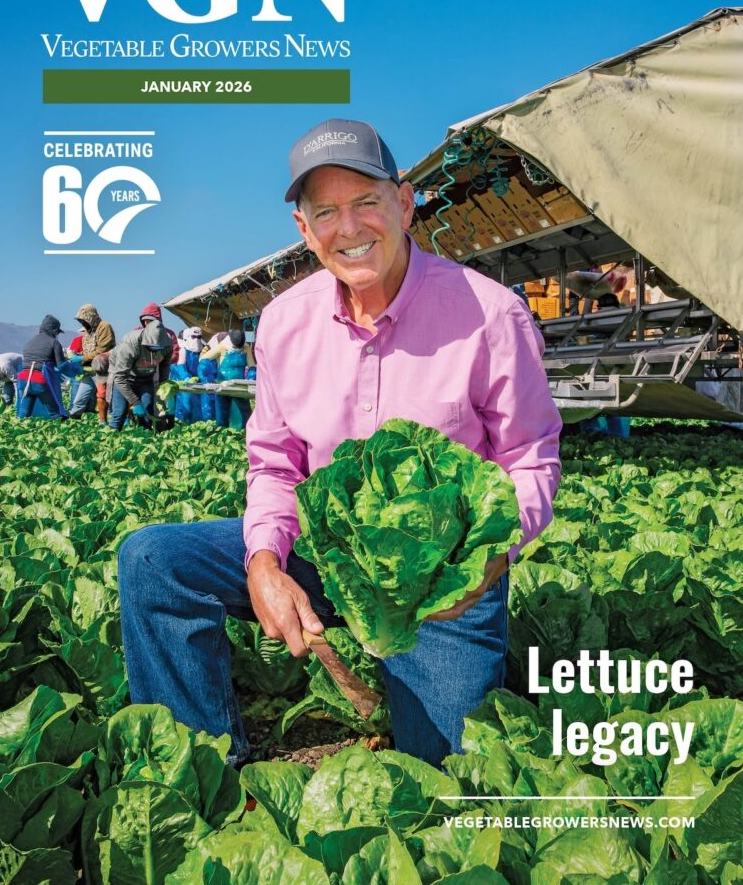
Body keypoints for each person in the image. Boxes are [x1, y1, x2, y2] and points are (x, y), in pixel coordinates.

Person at [118, 118, 561, 769]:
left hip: (441, 581)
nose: (348, 229)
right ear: (304, 228)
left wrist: (486, 564)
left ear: (404, 204)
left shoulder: (490, 314)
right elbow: (274, 461)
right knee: (153, 561)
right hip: (327, 556)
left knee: (443, 788)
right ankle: (200, 777)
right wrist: (264, 562)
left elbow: (530, 459)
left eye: (365, 202)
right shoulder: (283, 324)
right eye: (326, 211)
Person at [108, 320, 173, 430]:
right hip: (125, 378)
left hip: (146, 378)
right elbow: (120, 378)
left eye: (159, 348)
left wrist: (163, 384)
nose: (156, 350)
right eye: (152, 347)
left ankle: (145, 439)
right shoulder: (130, 344)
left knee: (148, 412)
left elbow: (165, 365)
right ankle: (110, 439)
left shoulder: (167, 344)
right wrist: (135, 402)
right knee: (119, 412)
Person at [69, 304, 115, 422]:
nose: (82, 323)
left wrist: (82, 358)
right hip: (89, 370)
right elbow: (88, 350)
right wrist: (79, 356)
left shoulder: (104, 327)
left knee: (104, 396)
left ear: (91, 317)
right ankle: (74, 417)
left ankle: (107, 421)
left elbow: (102, 350)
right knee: (80, 398)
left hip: (103, 368)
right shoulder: (88, 332)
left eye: (84, 320)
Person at [17, 315, 68, 419]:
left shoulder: (30, 342)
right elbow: (61, 365)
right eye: (57, 332)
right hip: (38, 381)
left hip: (23, 380)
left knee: (23, 415)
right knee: (55, 412)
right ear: (53, 330)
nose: (57, 334)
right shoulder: (54, 342)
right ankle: (58, 431)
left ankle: (20, 432)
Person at [214, 329, 252, 429]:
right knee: (222, 411)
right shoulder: (222, 346)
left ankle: (245, 431)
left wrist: (251, 378)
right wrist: (207, 374)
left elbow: (252, 366)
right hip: (223, 385)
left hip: (239, 385)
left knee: (245, 411)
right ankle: (222, 432)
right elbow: (205, 359)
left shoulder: (246, 348)